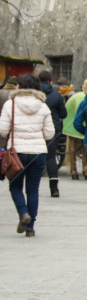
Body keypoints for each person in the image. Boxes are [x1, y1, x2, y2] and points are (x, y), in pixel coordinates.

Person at [0, 73, 55, 237]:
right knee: (33, 190)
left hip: (16, 152)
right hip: (37, 153)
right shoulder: (43, 106)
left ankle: (23, 213)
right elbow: (50, 133)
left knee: (15, 186)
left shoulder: (11, 104)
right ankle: (30, 227)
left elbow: (2, 130)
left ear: (19, 86)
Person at [38, 71, 67, 198]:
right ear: (50, 81)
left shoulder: (35, 95)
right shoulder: (56, 95)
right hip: (52, 130)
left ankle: (32, 186)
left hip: (36, 129)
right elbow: (63, 114)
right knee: (51, 158)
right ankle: (54, 188)